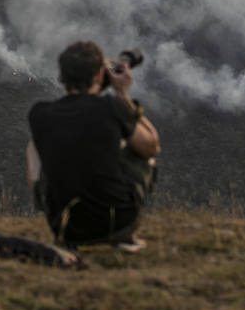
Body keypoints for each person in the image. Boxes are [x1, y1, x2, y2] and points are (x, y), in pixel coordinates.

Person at [26, 41, 160, 247]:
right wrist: (123, 95)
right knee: (139, 151)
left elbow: (80, 114)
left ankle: (47, 204)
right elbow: (152, 147)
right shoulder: (111, 107)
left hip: (64, 229)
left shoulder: (40, 114)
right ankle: (122, 229)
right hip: (119, 222)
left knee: (34, 145)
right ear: (99, 75)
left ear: (62, 78)